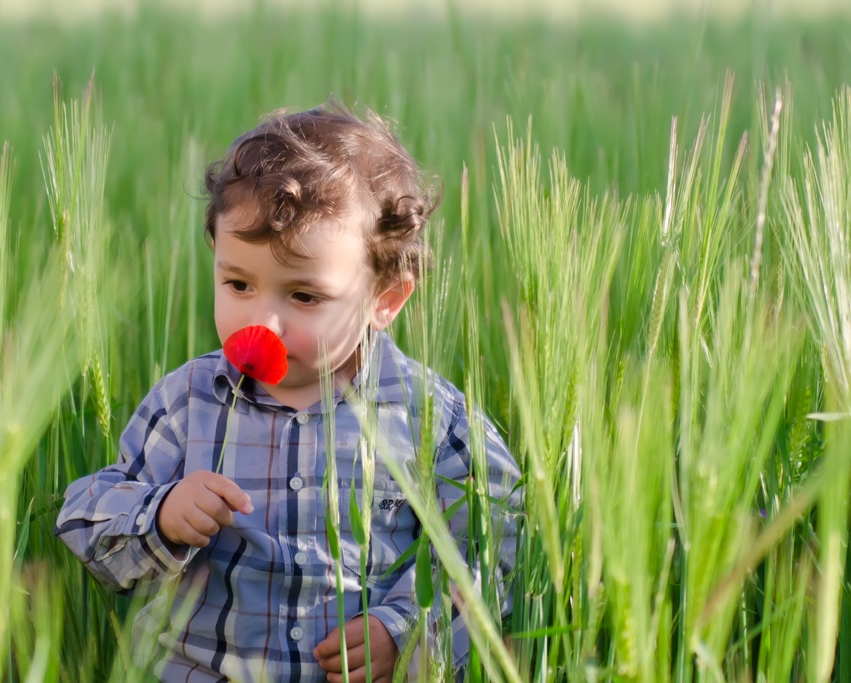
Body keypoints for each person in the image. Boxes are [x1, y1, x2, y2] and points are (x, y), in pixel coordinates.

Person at [55, 102, 521, 682]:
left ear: (385, 299)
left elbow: (496, 540)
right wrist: (162, 514)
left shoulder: (428, 417)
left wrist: (407, 630)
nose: (263, 322)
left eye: (303, 296)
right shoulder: (190, 402)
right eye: (238, 284)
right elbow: (84, 518)